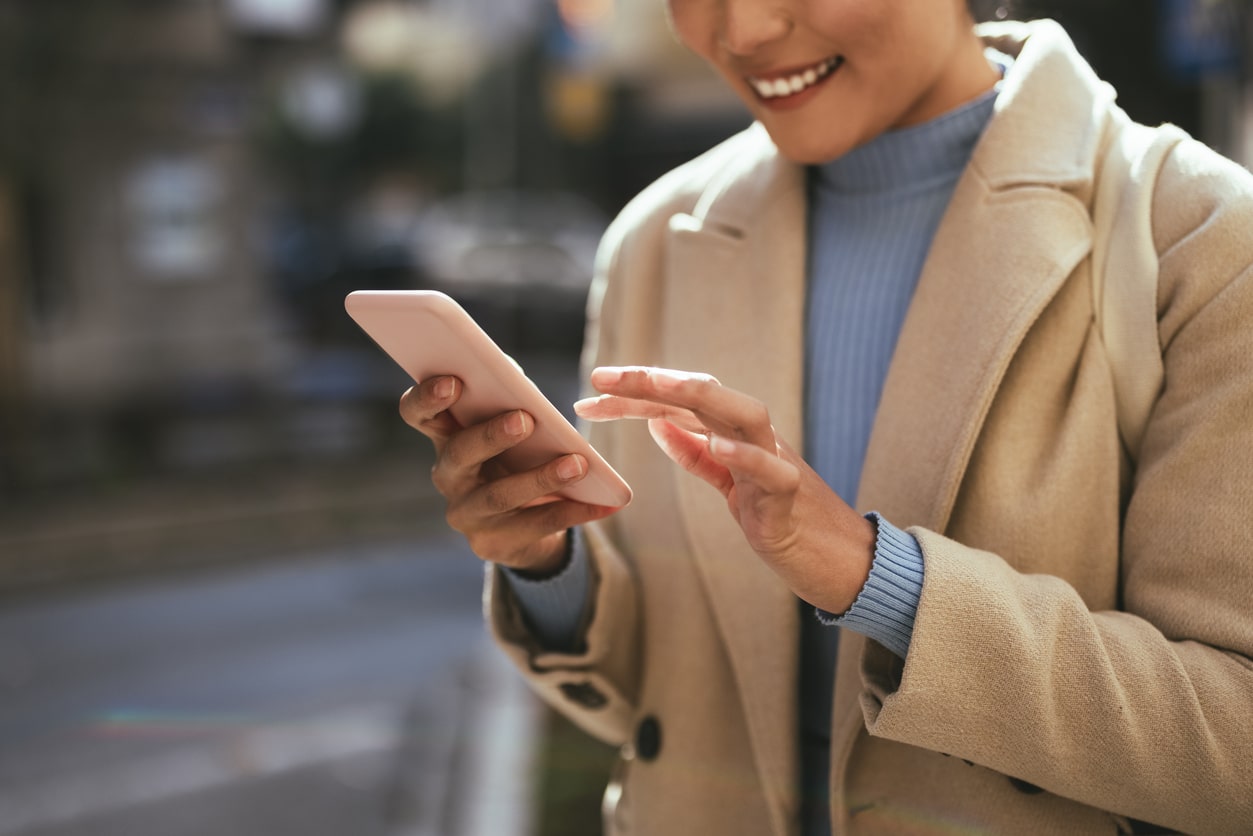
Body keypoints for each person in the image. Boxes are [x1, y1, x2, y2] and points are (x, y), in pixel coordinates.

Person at [399, 1, 1253, 833]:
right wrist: (547, 561)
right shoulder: (657, 241)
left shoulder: (1199, 236)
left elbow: (1233, 745)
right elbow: (659, 707)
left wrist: (870, 576)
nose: (742, 32)